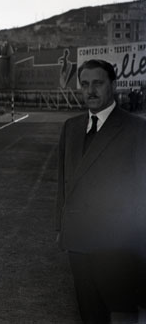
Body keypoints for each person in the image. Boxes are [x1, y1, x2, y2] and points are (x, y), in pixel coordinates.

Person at [56, 59, 146, 322]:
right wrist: (60, 227)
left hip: (118, 245)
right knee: (89, 314)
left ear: (113, 86)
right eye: (85, 84)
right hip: (78, 241)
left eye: (97, 83)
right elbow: (64, 182)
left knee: (123, 314)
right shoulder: (71, 127)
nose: (90, 90)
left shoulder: (136, 128)